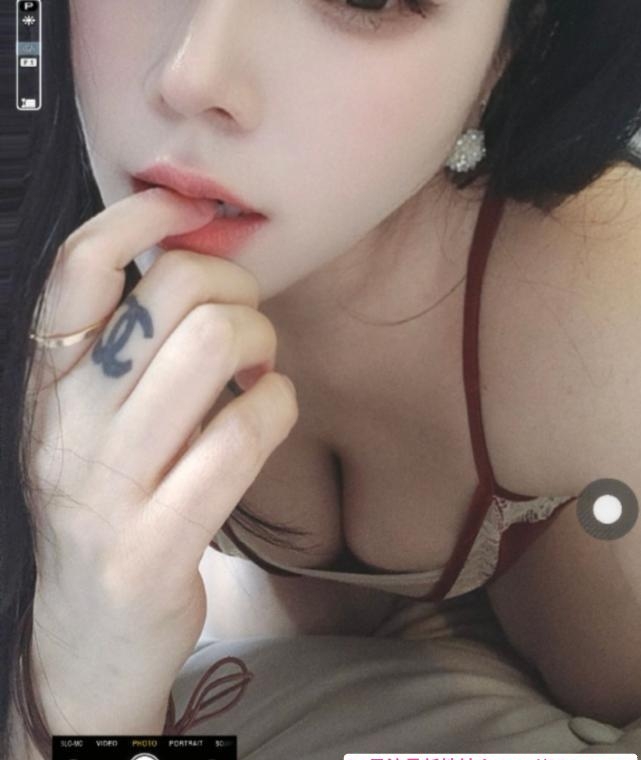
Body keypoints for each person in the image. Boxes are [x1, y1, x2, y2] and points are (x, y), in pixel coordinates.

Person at [2, 1, 641, 758]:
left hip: (545, 517)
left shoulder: (600, 303)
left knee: (604, 670)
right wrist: (78, 673)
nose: (190, 76)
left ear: (508, 49)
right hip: (288, 595)